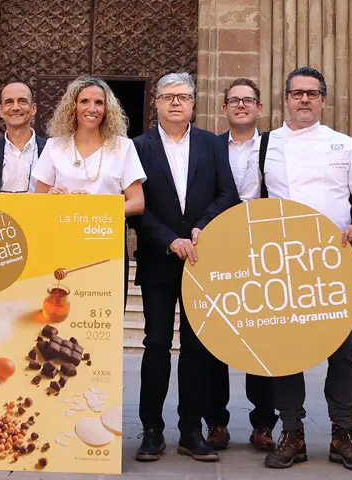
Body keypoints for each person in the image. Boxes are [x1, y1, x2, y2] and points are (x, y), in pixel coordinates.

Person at [260, 67, 352, 472]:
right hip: (282, 263)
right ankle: (292, 432)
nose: (304, 100)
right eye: (296, 93)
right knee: (286, 352)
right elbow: (245, 200)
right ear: (285, 100)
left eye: (312, 94)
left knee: (341, 351)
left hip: (333, 262)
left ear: (323, 100)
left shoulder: (342, 145)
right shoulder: (266, 146)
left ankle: (341, 433)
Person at [130, 73, 238, 463]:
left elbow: (228, 193)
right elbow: (136, 207)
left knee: (198, 348)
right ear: (155, 103)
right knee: (156, 343)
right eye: (168, 96)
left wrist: (202, 226)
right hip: (159, 261)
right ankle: (152, 430)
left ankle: (192, 430)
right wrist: (168, 238)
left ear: (194, 104)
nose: (176, 102)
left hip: (202, 260)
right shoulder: (136, 147)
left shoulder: (212, 144)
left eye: (184, 97)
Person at [33, 75, 146, 305]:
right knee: (63, 312)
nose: (91, 108)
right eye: (84, 101)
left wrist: (96, 208)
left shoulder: (124, 147)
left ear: (107, 109)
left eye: (99, 103)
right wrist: (52, 199)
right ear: (73, 106)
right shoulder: (55, 146)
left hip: (105, 246)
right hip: (61, 243)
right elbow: (37, 200)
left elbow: (137, 202)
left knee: (103, 318)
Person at [212, 77, 282, 452]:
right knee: (215, 339)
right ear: (223, 108)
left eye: (248, 100)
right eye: (234, 100)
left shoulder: (276, 146)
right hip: (220, 247)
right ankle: (216, 423)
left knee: (262, 338)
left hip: (262, 249)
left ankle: (263, 424)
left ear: (259, 108)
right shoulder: (209, 147)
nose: (241, 106)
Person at [0, 81, 46, 193]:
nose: (16, 107)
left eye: (22, 101)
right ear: (0, 110)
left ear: (33, 109)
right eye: (9, 102)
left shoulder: (48, 151)